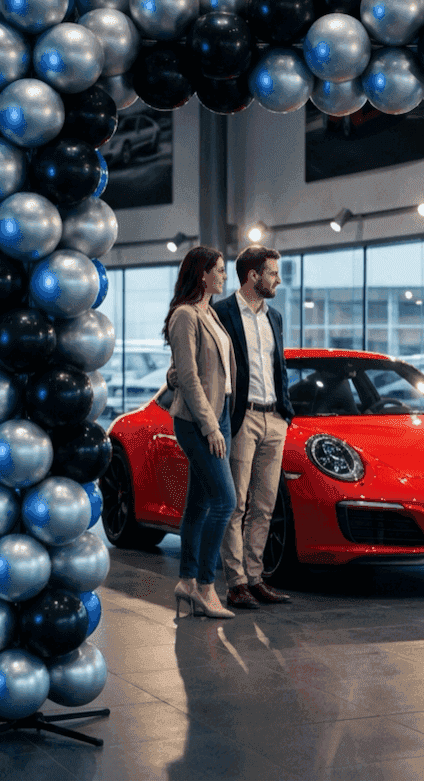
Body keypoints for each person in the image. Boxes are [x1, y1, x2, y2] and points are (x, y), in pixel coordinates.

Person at [212, 245, 295, 609]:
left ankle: (256, 577)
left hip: (274, 418)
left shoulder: (273, 317)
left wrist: (285, 413)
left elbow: (281, 368)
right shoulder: (221, 314)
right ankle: (236, 583)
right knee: (236, 504)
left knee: (264, 504)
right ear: (253, 276)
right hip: (241, 418)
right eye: (273, 273)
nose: (278, 279)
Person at [164, 245, 238, 619]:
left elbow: (202, 369)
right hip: (197, 420)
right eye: (220, 270)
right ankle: (207, 587)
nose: (225, 276)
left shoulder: (208, 313)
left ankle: (187, 580)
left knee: (199, 505)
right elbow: (189, 378)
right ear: (203, 274)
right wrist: (211, 426)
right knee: (225, 501)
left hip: (218, 413)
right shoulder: (185, 316)